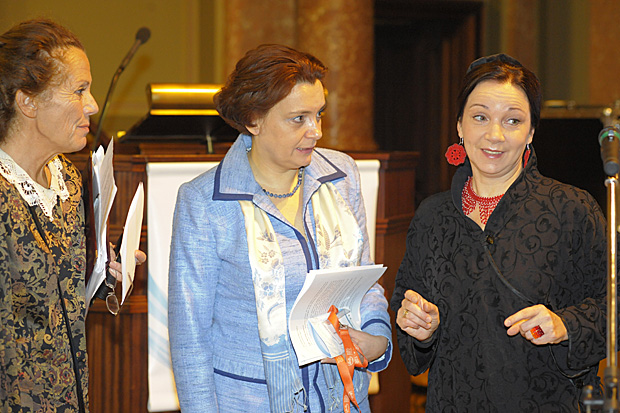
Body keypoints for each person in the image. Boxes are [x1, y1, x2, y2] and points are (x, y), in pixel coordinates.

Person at [168, 44, 392, 412]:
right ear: (253, 120)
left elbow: (363, 283)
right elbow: (190, 337)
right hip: (249, 402)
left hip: (338, 397)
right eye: (298, 118)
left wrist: (377, 339)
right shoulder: (205, 201)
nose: (315, 131)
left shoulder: (341, 176)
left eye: (319, 114)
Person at [391, 53, 607, 411]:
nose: (494, 135)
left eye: (512, 120)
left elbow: (612, 305)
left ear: (531, 132)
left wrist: (564, 325)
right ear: (460, 126)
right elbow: (409, 320)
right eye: (480, 117)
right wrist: (420, 328)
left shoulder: (571, 209)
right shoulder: (432, 216)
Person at [0, 19, 145, 412]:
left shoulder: (67, 180)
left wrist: (102, 270)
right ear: (28, 102)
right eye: (79, 90)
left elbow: (52, 299)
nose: (92, 105)